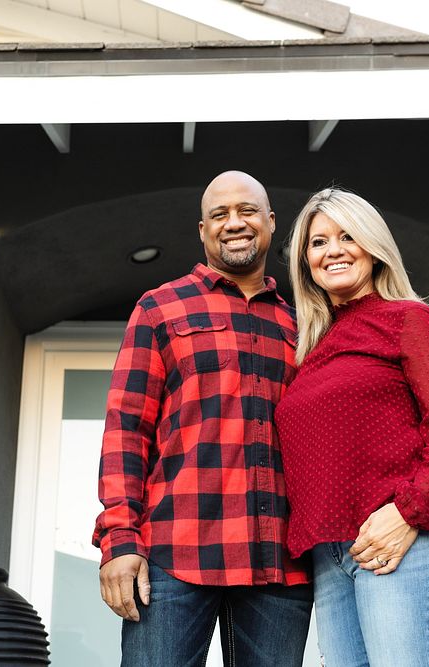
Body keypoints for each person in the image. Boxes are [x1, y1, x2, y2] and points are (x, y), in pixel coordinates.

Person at [93, 171, 313, 666]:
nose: (234, 223)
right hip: (174, 555)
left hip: (279, 563)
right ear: (202, 229)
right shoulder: (159, 308)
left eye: (248, 211)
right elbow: (126, 429)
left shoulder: (302, 324)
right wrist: (120, 538)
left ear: (271, 222)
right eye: (220, 214)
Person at [274, 187, 429, 667]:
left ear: (374, 247)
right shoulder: (314, 348)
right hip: (332, 556)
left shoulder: (410, 320)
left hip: (405, 540)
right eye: (318, 242)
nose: (334, 251)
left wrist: (407, 512)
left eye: (347, 236)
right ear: (306, 262)